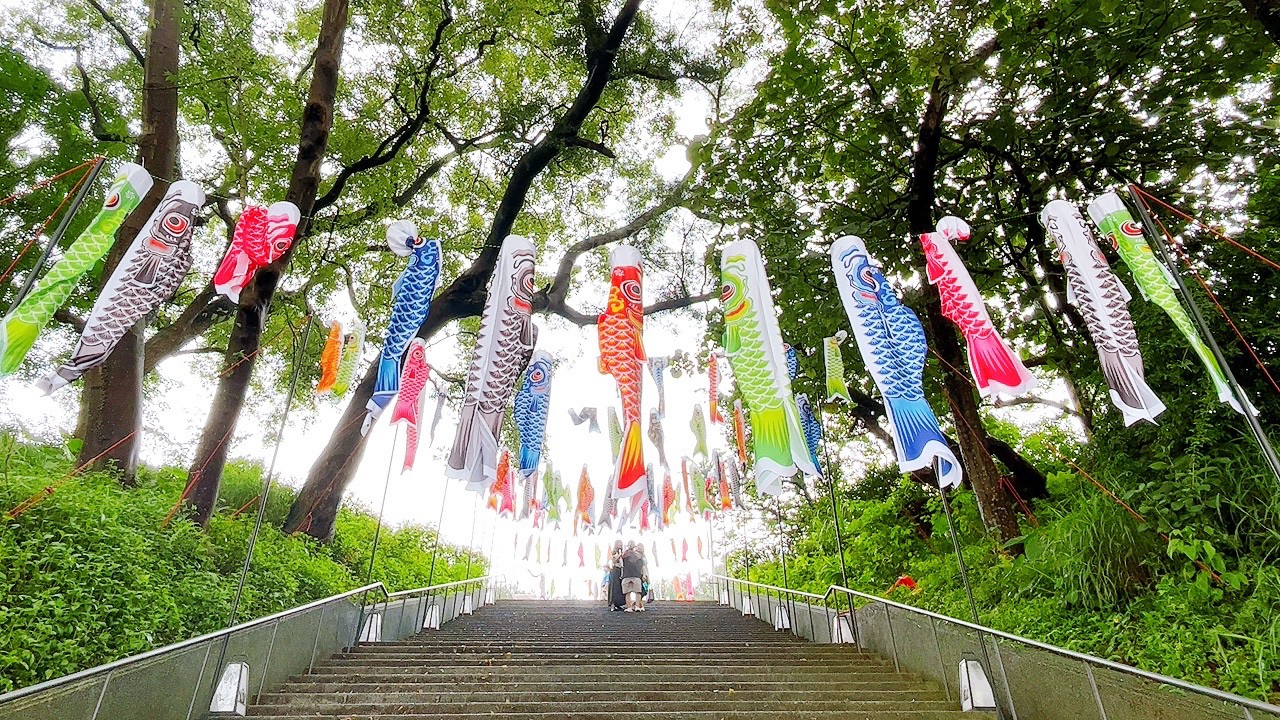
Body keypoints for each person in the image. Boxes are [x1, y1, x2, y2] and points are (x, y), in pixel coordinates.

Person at [621, 541, 647, 612]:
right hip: (628, 575)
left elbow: (642, 566)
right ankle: (630, 606)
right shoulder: (626, 553)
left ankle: (637, 606)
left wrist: (644, 574)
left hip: (635, 575)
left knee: (637, 591)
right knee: (628, 592)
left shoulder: (637, 555)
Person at [608, 540, 625, 611]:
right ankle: (612, 604)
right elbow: (613, 561)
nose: (620, 545)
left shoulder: (623, 552)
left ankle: (619, 604)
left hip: (621, 570)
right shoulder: (614, 552)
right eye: (619, 544)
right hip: (615, 570)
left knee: (620, 587)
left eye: (621, 543)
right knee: (614, 587)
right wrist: (619, 555)